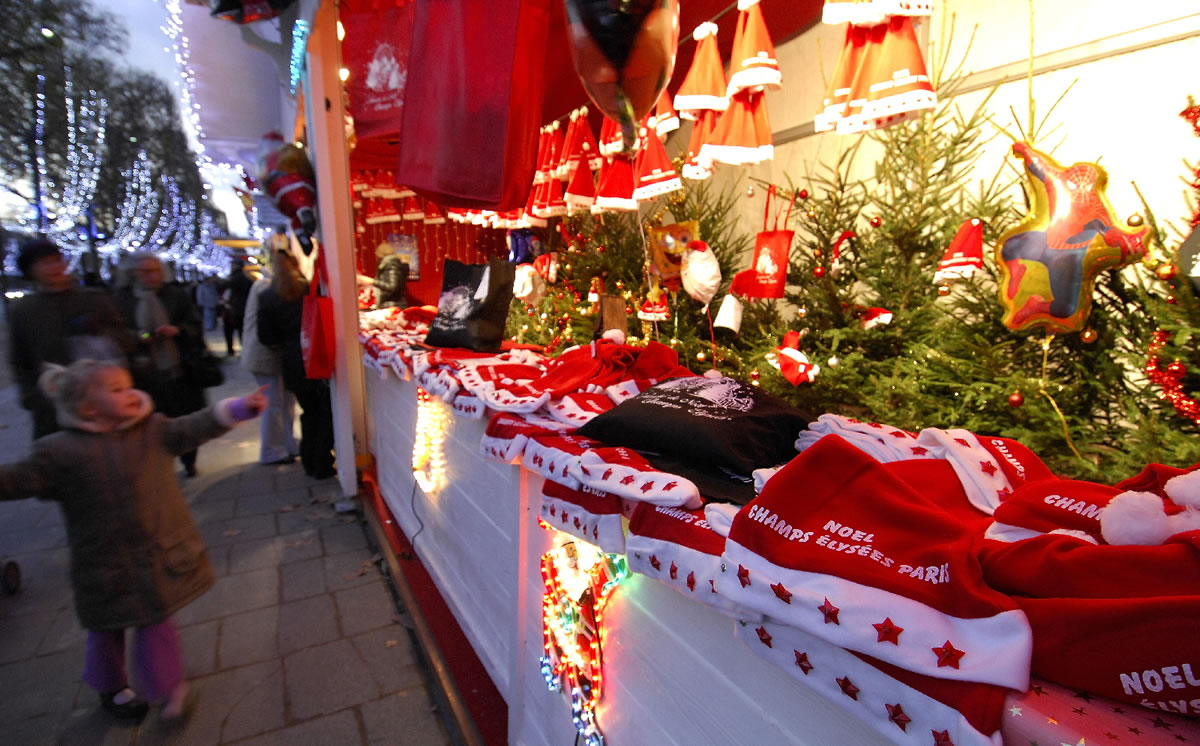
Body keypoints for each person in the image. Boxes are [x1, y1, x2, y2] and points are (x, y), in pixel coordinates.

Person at [0, 358, 266, 721]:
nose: (130, 393)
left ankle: (168, 687)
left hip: (156, 554)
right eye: (116, 390)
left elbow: (191, 428)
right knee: (106, 630)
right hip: (103, 562)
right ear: (88, 407)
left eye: (127, 386)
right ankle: (109, 686)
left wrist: (235, 408)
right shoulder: (59, 452)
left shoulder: (151, 430)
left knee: (157, 624)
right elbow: (20, 479)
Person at [7, 238, 133, 439]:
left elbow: (126, 342)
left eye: (57, 260)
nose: (55, 267)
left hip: (102, 401)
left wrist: (102, 333)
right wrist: (31, 396)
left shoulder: (95, 300)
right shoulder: (24, 311)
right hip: (53, 404)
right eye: (45, 263)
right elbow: (20, 359)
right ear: (31, 271)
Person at [113, 252, 209, 477]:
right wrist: (137, 337)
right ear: (133, 274)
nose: (151, 276)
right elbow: (114, 333)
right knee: (150, 424)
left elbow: (194, 325)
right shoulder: (122, 299)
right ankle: (159, 464)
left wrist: (178, 330)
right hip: (142, 373)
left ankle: (188, 460)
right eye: (145, 271)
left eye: (155, 270)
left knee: (183, 418)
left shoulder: (175, 295)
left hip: (179, 370)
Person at [256, 250, 336, 479]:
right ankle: (321, 461)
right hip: (315, 353)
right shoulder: (308, 289)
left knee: (309, 411)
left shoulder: (268, 296)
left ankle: (310, 460)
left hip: (291, 359)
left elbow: (266, 337)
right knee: (325, 411)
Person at [241, 266, 299, 464]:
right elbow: (270, 328)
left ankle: (286, 444)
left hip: (268, 354)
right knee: (273, 403)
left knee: (284, 402)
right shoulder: (266, 288)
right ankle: (273, 450)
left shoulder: (264, 287)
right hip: (265, 356)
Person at [222, 259, 254, 357]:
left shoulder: (232, 278)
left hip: (233, 309)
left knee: (229, 330)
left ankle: (230, 350)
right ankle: (244, 350)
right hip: (244, 308)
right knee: (242, 331)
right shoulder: (247, 277)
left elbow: (225, 289)